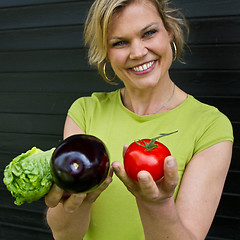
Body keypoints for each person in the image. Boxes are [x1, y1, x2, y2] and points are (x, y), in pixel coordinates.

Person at [45, 0, 233, 239]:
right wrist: (78, 199)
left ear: (170, 33)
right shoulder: (85, 111)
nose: (138, 52)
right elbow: (64, 235)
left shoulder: (210, 126)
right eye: (120, 42)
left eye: (149, 33)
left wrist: (156, 204)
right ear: (107, 52)